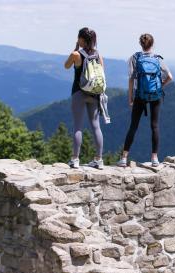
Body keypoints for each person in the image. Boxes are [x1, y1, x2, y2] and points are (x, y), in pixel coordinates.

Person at [117, 33, 173, 167]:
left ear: (140, 44)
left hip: (140, 96)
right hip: (155, 95)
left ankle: (124, 158)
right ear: (152, 44)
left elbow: (131, 79)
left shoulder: (134, 58)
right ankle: (154, 158)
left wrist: (130, 98)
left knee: (133, 126)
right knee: (155, 126)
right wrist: (160, 87)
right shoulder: (158, 59)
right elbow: (170, 77)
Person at [64, 27, 105, 169]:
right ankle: (99, 160)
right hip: (94, 93)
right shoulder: (98, 55)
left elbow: (66, 66)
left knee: (77, 126)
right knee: (96, 126)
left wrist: (75, 49)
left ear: (82, 39)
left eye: (78, 37)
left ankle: (75, 159)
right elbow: (101, 74)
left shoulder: (76, 54)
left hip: (79, 92)